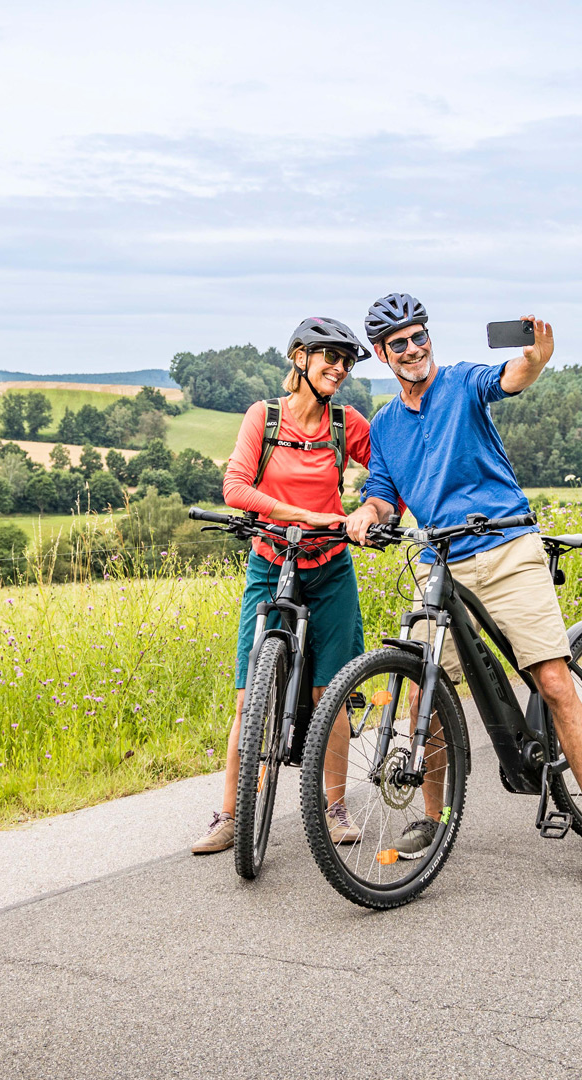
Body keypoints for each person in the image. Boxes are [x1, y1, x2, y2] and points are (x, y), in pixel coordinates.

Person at [343, 293, 582, 890]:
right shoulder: (388, 426)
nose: (415, 348)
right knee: (426, 683)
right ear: (381, 354)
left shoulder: (463, 382)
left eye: (420, 336)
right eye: (400, 343)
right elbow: (383, 490)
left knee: (551, 678)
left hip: (504, 546)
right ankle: (432, 815)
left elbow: (510, 376)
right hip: (437, 556)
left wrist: (537, 358)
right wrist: (367, 513)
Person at [191, 316, 375, 855]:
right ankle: (228, 815)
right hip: (271, 563)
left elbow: (390, 470)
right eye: (329, 358)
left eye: (346, 362)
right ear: (300, 357)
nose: (339, 370)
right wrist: (297, 514)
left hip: (331, 567)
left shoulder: (346, 424)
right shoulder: (264, 417)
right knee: (251, 700)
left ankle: (333, 807)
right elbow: (234, 486)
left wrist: (370, 509)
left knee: (331, 693)